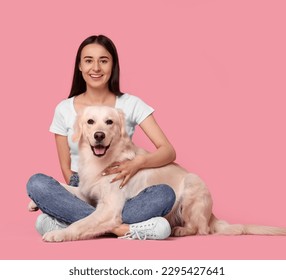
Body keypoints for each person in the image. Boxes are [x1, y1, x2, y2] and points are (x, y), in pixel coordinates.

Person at [26, 35, 176, 240]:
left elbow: (168, 151)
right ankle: (119, 228)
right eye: (88, 60)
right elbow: (66, 169)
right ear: (79, 66)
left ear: (113, 65)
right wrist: (73, 193)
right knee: (37, 184)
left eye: (103, 60)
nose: (95, 67)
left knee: (165, 194)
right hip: (84, 183)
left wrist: (137, 164)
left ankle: (71, 221)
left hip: (122, 182)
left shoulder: (131, 104)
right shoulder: (64, 109)